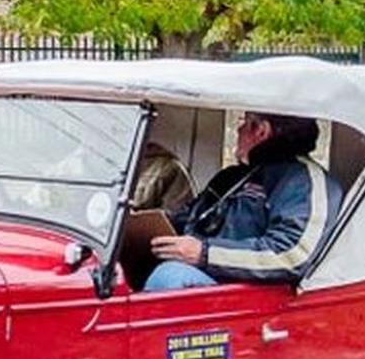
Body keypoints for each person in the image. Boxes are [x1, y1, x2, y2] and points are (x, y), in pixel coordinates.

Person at [145, 112, 342, 290]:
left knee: (169, 276)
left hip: (254, 295)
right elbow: (187, 218)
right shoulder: (231, 177)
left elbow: (292, 255)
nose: (238, 130)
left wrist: (204, 253)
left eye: (244, 122)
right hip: (209, 277)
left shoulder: (304, 180)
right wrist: (141, 228)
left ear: (262, 131)